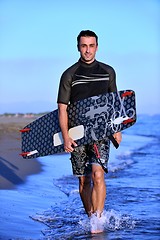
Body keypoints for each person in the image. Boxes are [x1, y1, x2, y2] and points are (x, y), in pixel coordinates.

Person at [57, 30, 122, 233]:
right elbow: (62, 108)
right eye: (84, 46)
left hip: (101, 132)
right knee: (84, 180)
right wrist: (66, 136)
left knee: (98, 175)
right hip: (77, 134)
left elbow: (115, 103)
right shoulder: (70, 74)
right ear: (78, 47)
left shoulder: (107, 71)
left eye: (91, 45)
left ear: (97, 46)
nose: (87, 50)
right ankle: (91, 217)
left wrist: (117, 129)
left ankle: (98, 222)